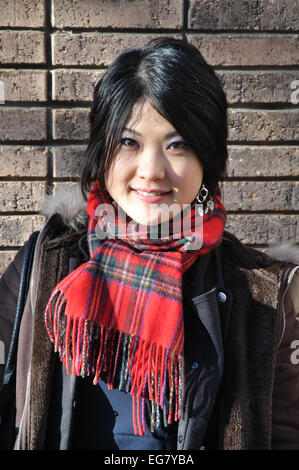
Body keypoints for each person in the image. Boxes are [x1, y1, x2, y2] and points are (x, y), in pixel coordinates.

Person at [0, 37, 299, 451]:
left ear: (207, 158)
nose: (152, 170)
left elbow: (285, 433)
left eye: (178, 145)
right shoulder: (43, 265)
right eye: (129, 142)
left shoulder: (263, 292)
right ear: (101, 152)